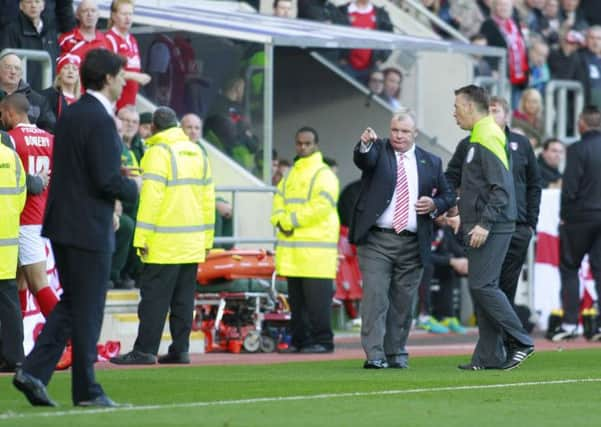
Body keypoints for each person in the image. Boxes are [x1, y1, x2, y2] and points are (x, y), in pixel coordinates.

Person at [12, 48, 139, 408]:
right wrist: (133, 188)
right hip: (87, 227)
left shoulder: (74, 113)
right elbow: (105, 179)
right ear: (108, 78)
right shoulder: (99, 118)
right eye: (121, 75)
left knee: (73, 304)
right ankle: (86, 390)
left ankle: (34, 371)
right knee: (88, 308)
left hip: (65, 223)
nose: (124, 81)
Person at [110, 107, 215, 365]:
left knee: (154, 299)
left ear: (154, 127)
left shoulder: (158, 152)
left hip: (164, 242)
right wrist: (207, 241)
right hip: (191, 242)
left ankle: (145, 350)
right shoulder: (197, 152)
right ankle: (181, 349)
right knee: (183, 300)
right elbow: (208, 199)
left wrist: (141, 239)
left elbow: (151, 200)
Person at [349, 111, 455, 369]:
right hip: (376, 241)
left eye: (404, 131)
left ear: (415, 133)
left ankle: (396, 352)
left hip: (413, 242)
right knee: (375, 298)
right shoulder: (378, 150)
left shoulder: (431, 161)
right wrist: (364, 144)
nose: (398, 135)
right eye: (395, 130)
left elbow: (448, 195)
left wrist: (434, 204)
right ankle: (374, 355)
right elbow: (364, 159)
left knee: (403, 302)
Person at [451, 85, 534, 371]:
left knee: (482, 285)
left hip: (492, 225)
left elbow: (501, 189)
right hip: (485, 223)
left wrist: (485, 224)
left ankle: (521, 340)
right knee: (483, 287)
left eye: (457, 107)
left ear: (471, 108)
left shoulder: (486, 135)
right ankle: (487, 357)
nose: (454, 113)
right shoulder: (480, 135)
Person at [446, 95, 542, 307]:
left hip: (517, 226)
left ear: (507, 116)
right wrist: (455, 208)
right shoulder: (468, 143)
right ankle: (493, 339)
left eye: (496, 111)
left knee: (507, 287)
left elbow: (535, 184)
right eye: (487, 111)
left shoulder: (522, 144)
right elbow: (450, 177)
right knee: (483, 287)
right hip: (481, 227)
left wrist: (530, 224)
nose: (490, 115)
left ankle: (506, 340)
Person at [271, 127, 339, 354]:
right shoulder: (290, 174)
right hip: (293, 252)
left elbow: (321, 206)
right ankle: (301, 341)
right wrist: (279, 219)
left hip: (316, 253)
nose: (303, 147)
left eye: (307, 143)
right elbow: (278, 199)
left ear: (316, 145)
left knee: (317, 304)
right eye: (299, 143)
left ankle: (323, 341)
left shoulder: (324, 174)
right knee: (297, 304)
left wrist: (288, 221)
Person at [0, 93, 60, 321]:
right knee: (19, 280)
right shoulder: (50, 138)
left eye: (2, 113)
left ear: (10, 112)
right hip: (43, 216)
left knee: (38, 283)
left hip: (25, 219)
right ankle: (19, 341)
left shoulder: (11, 140)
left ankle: (68, 340)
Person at [550, 105, 601, 341]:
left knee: (570, 268)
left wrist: (564, 214)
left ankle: (570, 323)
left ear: (582, 123)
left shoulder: (577, 149)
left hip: (580, 217)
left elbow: (569, 188)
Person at [0, 137, 26, 373]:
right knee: (8, 301)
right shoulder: (11, 157)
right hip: (7, 242)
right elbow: (20, 198)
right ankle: (15, 356)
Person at [0, 0, 59, 91]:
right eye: (28, 2)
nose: (33, 5)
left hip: (48, 92)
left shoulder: (51, 31)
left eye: (37, 1)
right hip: (21, 93)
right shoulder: (11, 30)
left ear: (43, 5)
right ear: (21, 6)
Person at [105, 0, 151, 111]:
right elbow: (109, 71)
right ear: (114, 16)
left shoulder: (132, 40)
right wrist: (136, 76)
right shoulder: (110, 39)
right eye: (124, 14)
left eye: (130, 14)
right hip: (114, 106)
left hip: (129, 104)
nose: (128, 18)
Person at [0, 52, 55, 132]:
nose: (13, 72)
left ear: (21, 73)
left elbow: (50, 130)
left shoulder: (38, 101)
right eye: (8, 67)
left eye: (17, 68)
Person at [40, 54, 81, 121]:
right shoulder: (48, 96)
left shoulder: (83, 100)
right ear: (59, 73)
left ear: (78, 75)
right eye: (66, 67)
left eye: (75, 69)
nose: (70, 71)